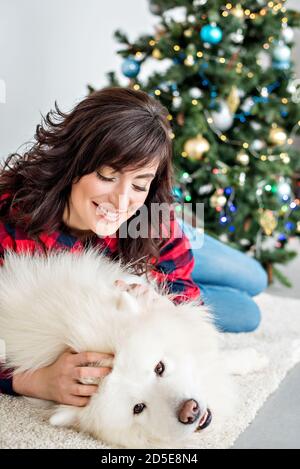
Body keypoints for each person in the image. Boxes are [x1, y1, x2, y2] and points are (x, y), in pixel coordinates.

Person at [0, 87, 267, 406]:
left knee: (255, 278)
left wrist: (163, 304)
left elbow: (183, 290)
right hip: (141, 261)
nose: (122, 199)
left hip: (155, 240)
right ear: (73, 162)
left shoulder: (147, 211)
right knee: (248, 314)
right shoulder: (12, 224)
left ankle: (182, 243)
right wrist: (31, 380)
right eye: (107, 176)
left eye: (139, 184)